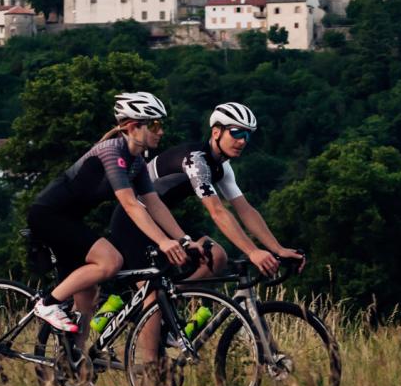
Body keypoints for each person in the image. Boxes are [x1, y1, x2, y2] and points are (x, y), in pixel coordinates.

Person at [107, 101, 304, 368]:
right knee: (154, 293)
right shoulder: (196, 160)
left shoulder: (222, 166)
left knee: (216, 256)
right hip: (133, 222)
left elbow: (245, 210)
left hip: (162, 221)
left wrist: (276, 248)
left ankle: (164, 313)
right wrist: (252, 252)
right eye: (236, 132)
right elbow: (217, 212)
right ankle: (151, 372)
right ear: (216, 132)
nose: (242, 141)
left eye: (248, 135)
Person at [28, 91, 189, 358]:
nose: (161, 131)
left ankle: (73, 363)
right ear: (133, 127)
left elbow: (154, 204)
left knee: (87, 297)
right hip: (48, 215)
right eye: (155, 125)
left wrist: (183, 239)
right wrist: (162, 241)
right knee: (110, 260)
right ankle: (47, 304)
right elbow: (130, 204)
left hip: (70, 219)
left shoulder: (137, 161)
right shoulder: (112, 151)